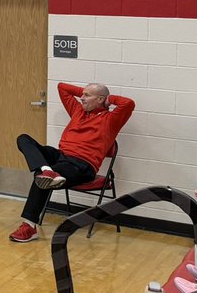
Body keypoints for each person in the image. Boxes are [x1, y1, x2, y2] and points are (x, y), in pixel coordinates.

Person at [9, 81, 135, 243]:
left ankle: (29, 227)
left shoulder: (111, 119)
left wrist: (108, 100)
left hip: (82, 166)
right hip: (61, 156)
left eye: (87, 95)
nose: (81, 98)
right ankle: (47, 169)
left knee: (42, 178)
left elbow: (128, 103)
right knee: (24, 139)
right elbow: (62, 87)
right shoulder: (78, 111)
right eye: (82, 94)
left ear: (100, 99)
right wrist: (87, 92)